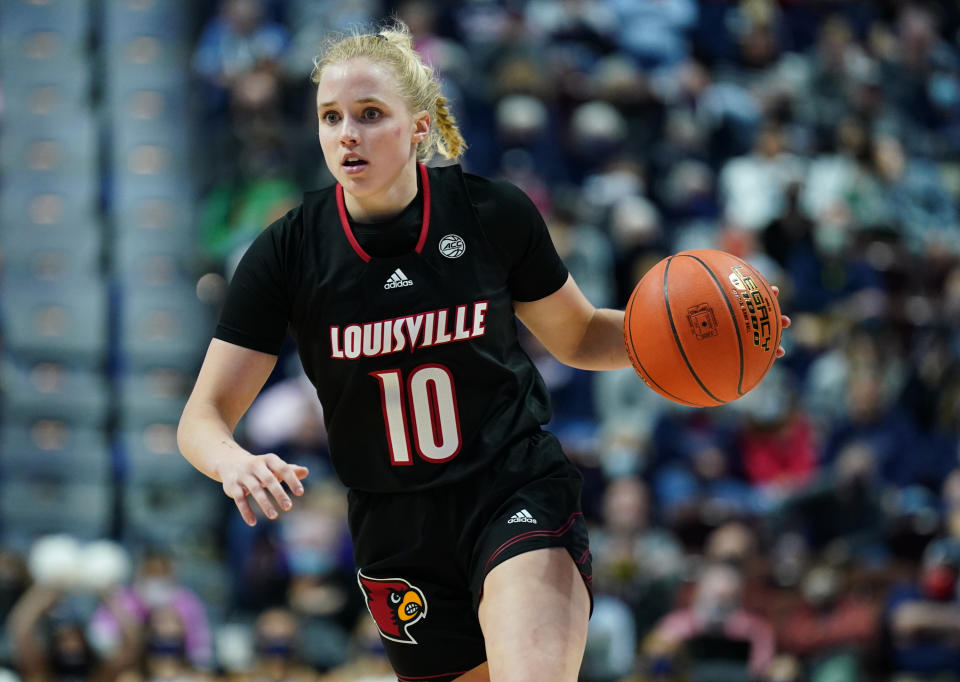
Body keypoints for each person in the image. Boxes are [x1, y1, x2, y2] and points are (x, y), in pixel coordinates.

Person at [177, 20, 790, 682]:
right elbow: (202, 416)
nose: (346, 134)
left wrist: (704, 339)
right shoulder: (289, 251)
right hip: (394, 529)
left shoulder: (491, 214)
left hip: (510, 488)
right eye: (331, 117)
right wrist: (231, 462)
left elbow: (579, 334)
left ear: (418, 127)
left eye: (369, 114)